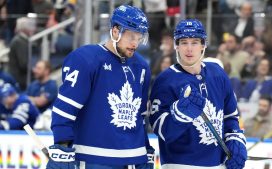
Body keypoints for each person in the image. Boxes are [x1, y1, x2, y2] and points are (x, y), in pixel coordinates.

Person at [46, 5, 154, 169]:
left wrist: (144, 150)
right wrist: (62, 147)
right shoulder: (85, 59)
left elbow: (139, 116)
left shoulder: (141, 66)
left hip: (131, 159)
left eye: (139, 38)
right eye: (131, 36)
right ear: (116, 31)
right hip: (93, 159)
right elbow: (65, 109)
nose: (135, 43)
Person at [149, 19, 247, 169]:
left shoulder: (218, 74)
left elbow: (230, 116)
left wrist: (236, 140)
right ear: (176, 45)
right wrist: (180, 114)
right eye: (184, 42)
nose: (189, 49)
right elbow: (160, 130)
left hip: (219, 164)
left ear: (203, 45)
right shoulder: (165, 80)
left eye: (194, 42)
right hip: (179, 164)